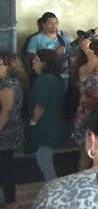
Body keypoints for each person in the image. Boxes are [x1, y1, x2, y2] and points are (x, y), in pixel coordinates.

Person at [26, 49, 68, 183]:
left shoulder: (43, 80)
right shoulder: (58, 78)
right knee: (47, 161)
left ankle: (53, 189)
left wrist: (32, 122)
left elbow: (40, 106)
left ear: (43, 64)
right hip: (55, 124)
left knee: (45, 163)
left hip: (44, 127)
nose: (33, 62)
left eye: (36, 60)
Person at [70, 39, 98, 171]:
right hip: (86, 115)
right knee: (86, 154)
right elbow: (92, 62)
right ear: (95, 52)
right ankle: (83, 179)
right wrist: (86, 48)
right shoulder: (84, 70)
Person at [0, 54, 24, 209]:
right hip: (10, 131)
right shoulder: (11, 81)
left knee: (5, 169)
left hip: (5, 134)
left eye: (0, 64)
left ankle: (11, 205)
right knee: (5, 167)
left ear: (10, 67)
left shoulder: (7, 84)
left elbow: (6, 110)